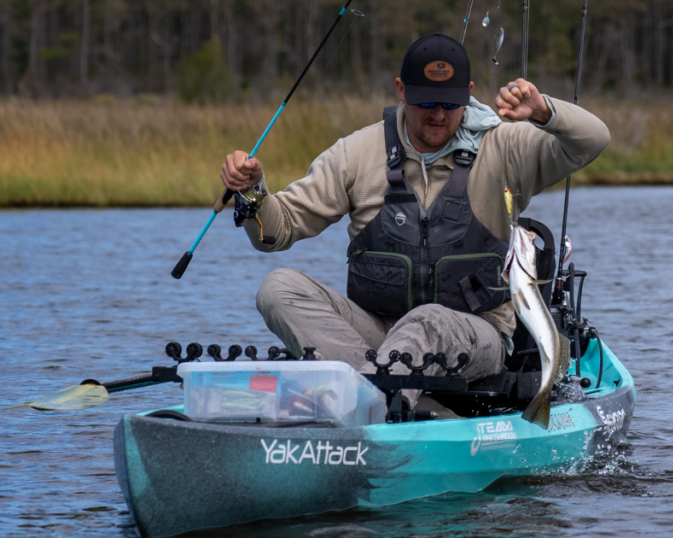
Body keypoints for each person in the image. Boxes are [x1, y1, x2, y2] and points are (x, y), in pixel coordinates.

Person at [220, 34, 609, 408]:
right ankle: (390, 399)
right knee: (278, 287)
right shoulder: (356, 154)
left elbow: (593, 140)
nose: (438, 115)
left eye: (450, 103)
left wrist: (544, 112)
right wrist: (253, 192)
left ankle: (359, 402)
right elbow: (277, 231)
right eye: (426, 103)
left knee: (429, 321)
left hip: (476, 336)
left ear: (468, 92)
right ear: (401, 91)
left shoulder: (506, 146)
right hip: (377, 329)